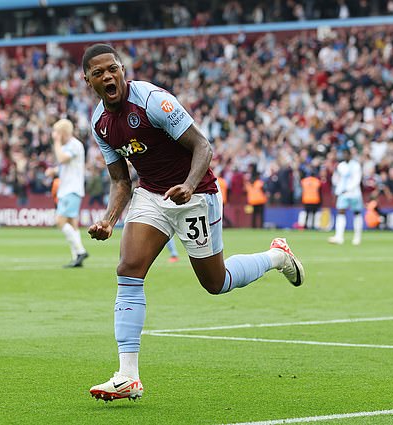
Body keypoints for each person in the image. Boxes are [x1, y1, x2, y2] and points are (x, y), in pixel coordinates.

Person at [82, 44, 304, 401]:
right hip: (152, 195)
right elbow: (122, 181)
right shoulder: (100, 123)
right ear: (88, 79)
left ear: (122, 70)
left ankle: (277, 257)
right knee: (129, 269)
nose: (109, 76)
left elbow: (203, 146)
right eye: (99, 73)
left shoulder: (153, 100)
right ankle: (127, 375)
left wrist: (187, 185)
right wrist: (109, 220)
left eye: (114, 69)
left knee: (216, 283)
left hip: (195, 194)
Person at [48, 118, 89, 268]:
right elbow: (64, 165)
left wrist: (57, 142)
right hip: (69, 188)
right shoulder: (70, 146)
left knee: (60, 221)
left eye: (57, 133)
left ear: (63, 133)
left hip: (71, 189)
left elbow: (62, 159)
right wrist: (53, 171)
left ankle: (80, 251)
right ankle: (77, 257)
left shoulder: (74, 145)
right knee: (72, 224)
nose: (55, 135)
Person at [328, 148, 363, 245]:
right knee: (341, 212)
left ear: (350, 155)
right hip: (343, 194)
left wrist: (347, 189)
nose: (345, 156)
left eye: (347, 154)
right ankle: (339, 237)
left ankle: (357, 237)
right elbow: (336, 178)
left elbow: (357, 179)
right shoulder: (341, 166)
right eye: (343, 154)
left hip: (354, 193)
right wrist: (338, 190)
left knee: (357, 213)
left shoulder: (356, 165)